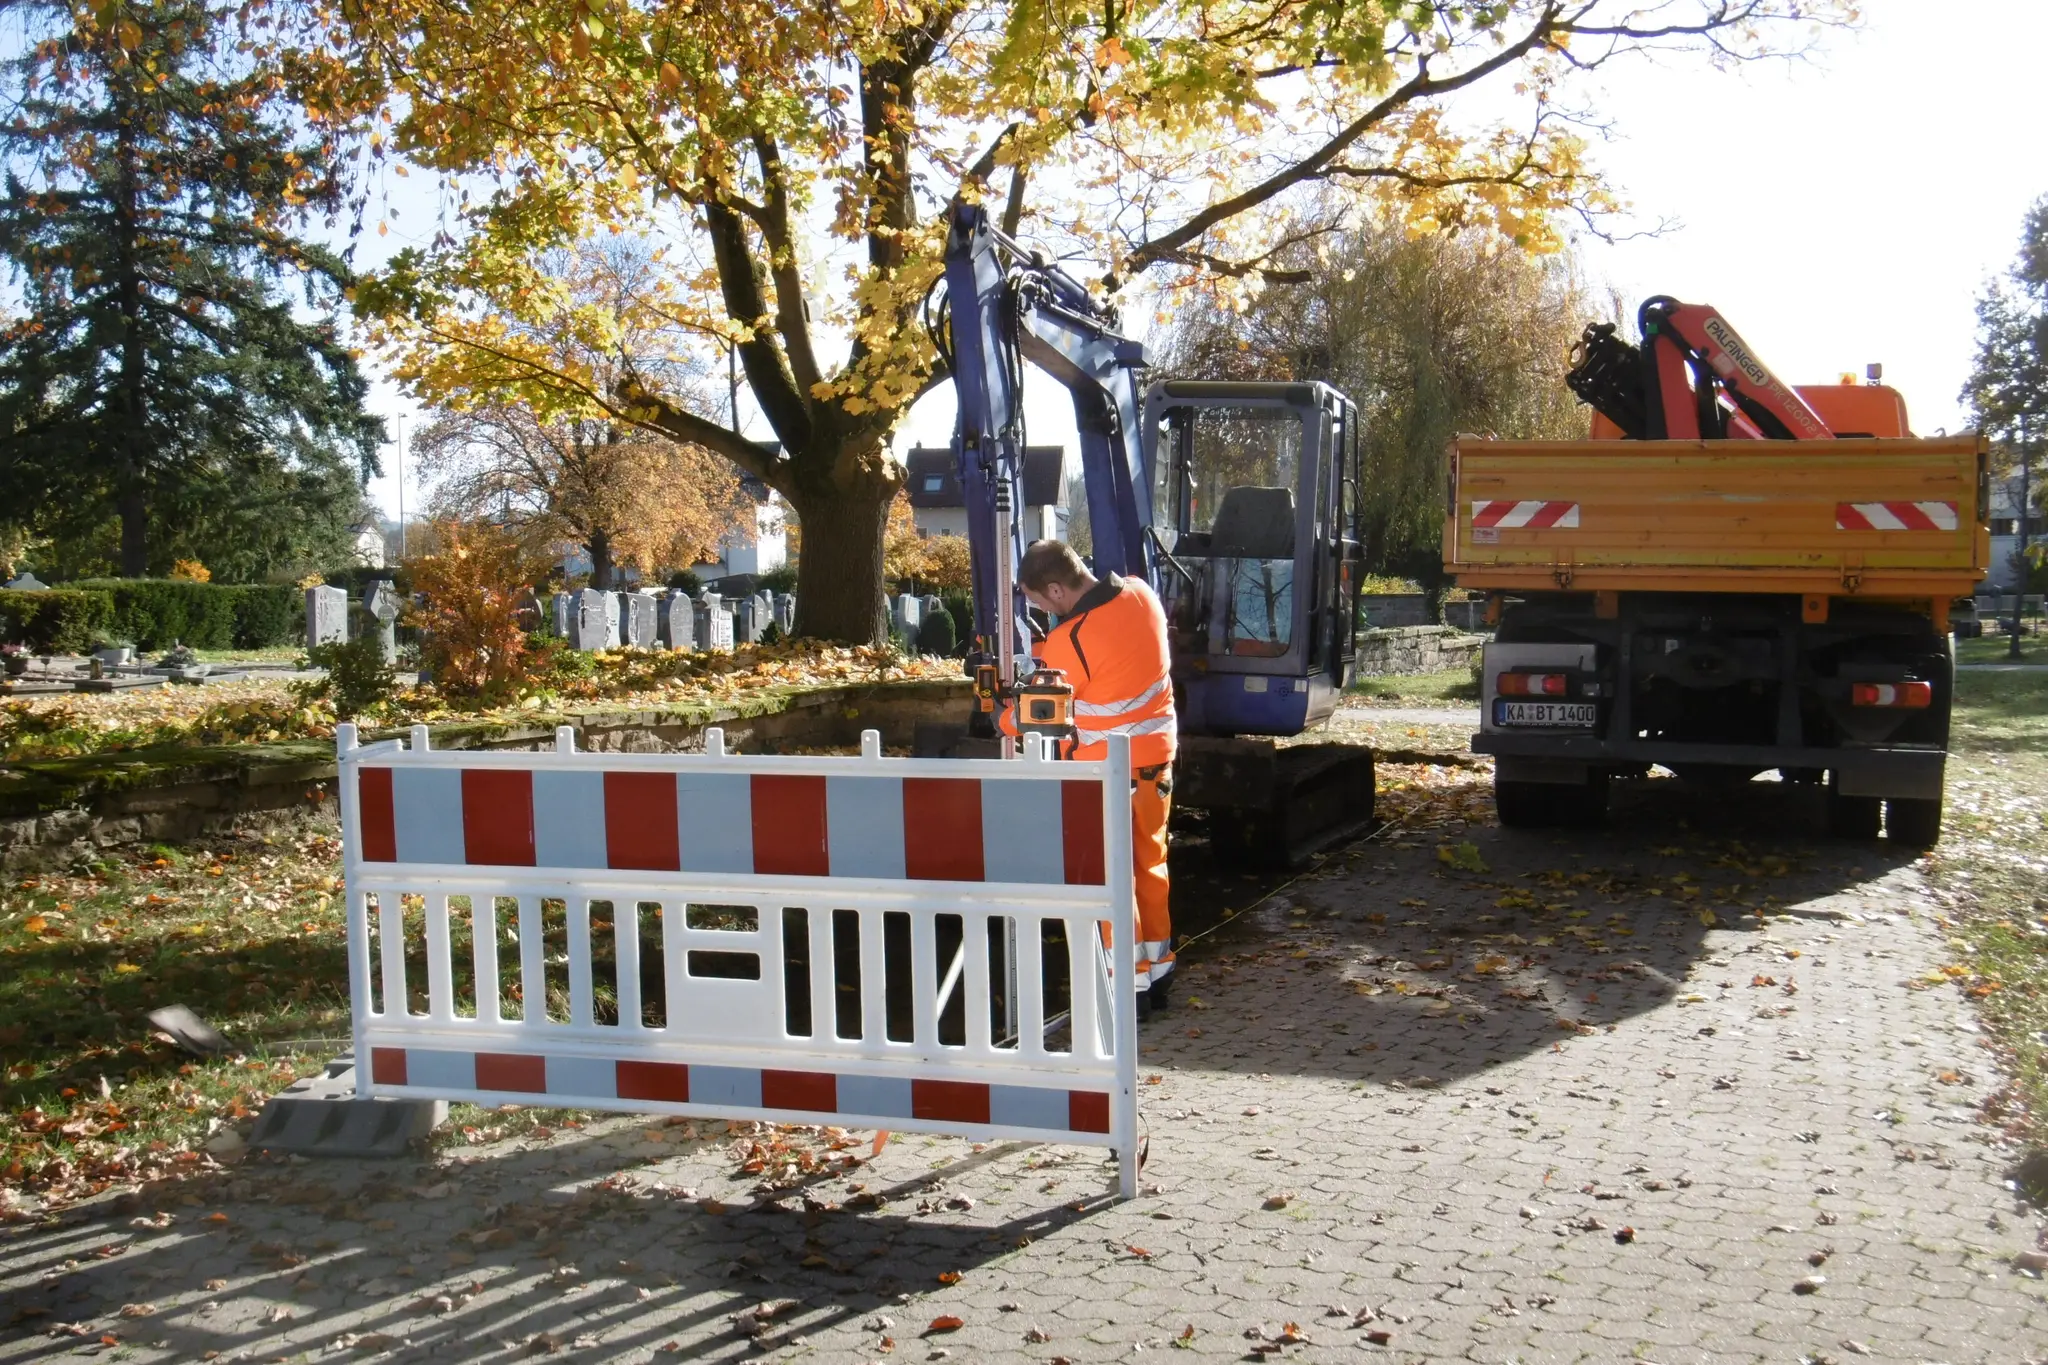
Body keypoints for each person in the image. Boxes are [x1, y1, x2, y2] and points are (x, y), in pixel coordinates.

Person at [999, 540, 1176, 1009]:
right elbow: (1110, 667)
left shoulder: (1066, 641)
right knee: (1149, 864)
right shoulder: (1142, 595)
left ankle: (1128, 985)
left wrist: (1001, 715)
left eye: (1038, 600)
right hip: (1157, 763)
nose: (1038, 608)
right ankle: (1159, 970)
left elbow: (1039, 713)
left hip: (1107, 771)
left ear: (1056, 588)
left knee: (1110, 877)